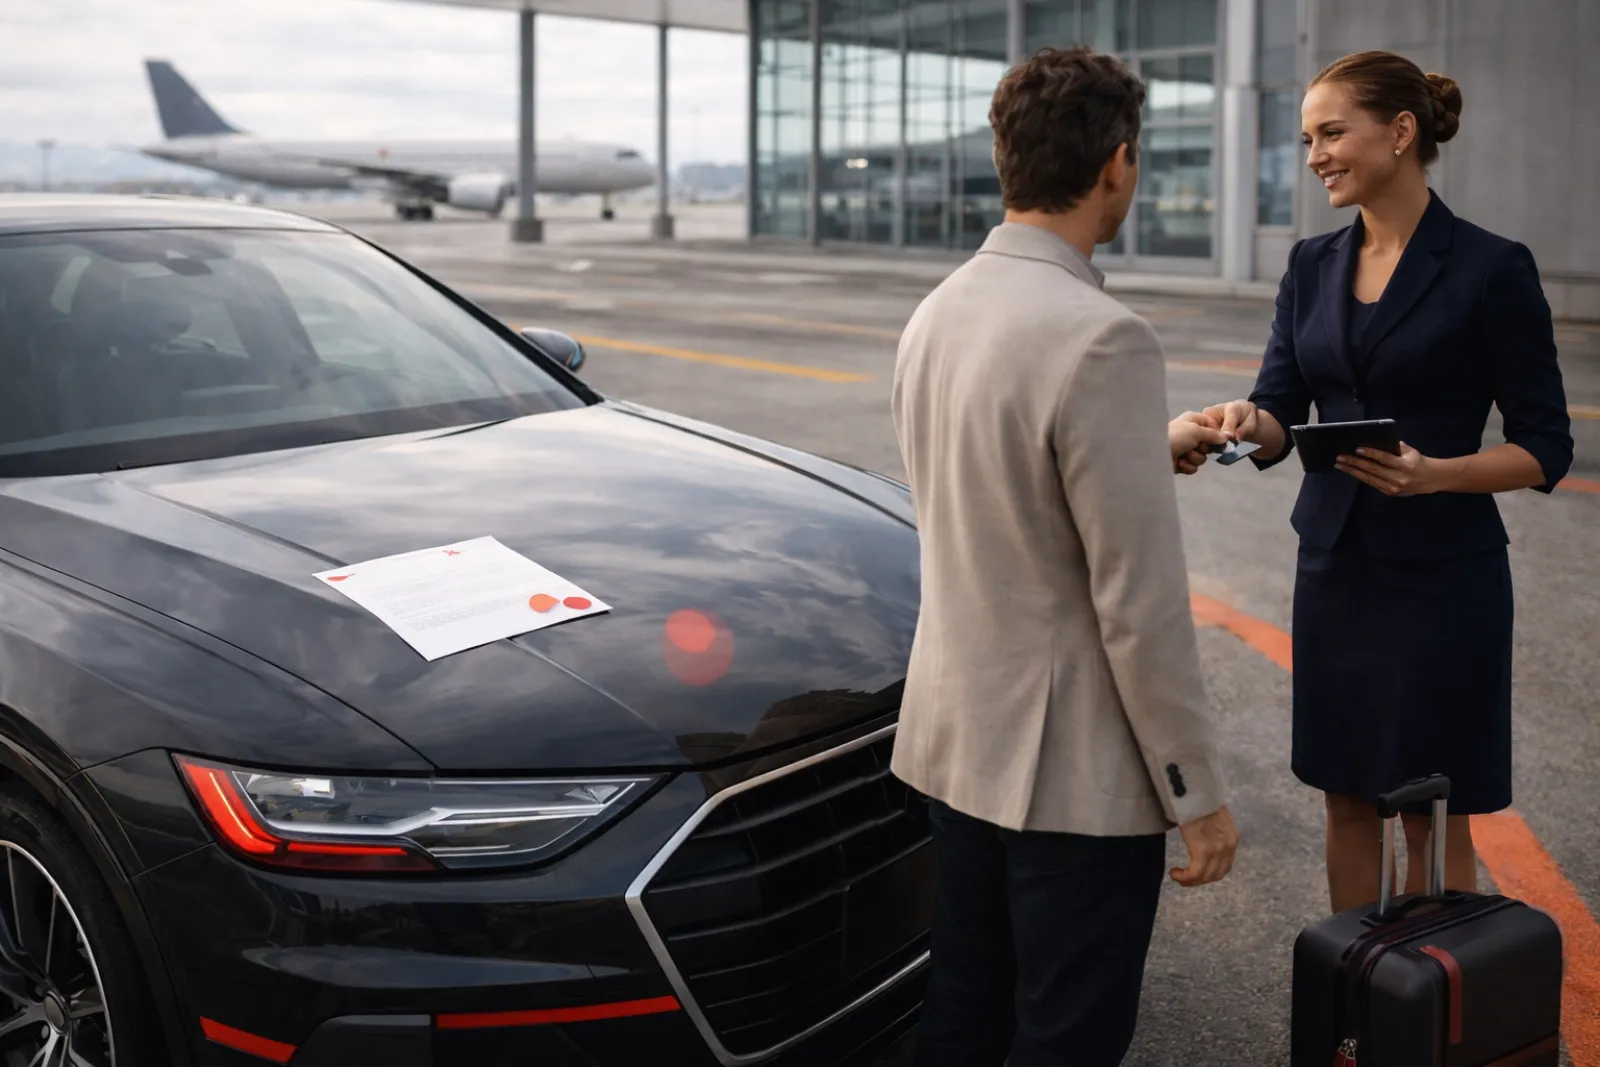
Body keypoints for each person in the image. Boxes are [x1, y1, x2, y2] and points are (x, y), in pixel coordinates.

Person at [889, 45, 1240, 1067]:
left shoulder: (939, 309)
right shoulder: (1101, 336)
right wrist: (1197, 794)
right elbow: (1137, 604)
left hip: (957, 740)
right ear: (1117, 165)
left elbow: (981, 482)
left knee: (963, 1006)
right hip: (1068, 774)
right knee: (1068, 1031)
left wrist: (1140, 444)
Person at [1197, 50, 1573, 915]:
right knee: (1346, 792)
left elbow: (1545, 446)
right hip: (1336, 569)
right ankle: (1357, 1007)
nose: (1316, 154)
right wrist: (1246, 424)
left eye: (1332, 132)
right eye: (1307, 138)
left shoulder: (1490, 267)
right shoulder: (1310, 264)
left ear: (1400, 133)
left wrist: (1438, 475)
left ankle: (1437, 1011)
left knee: (1431, 809)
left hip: (1446, 577)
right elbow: (1279, 407)